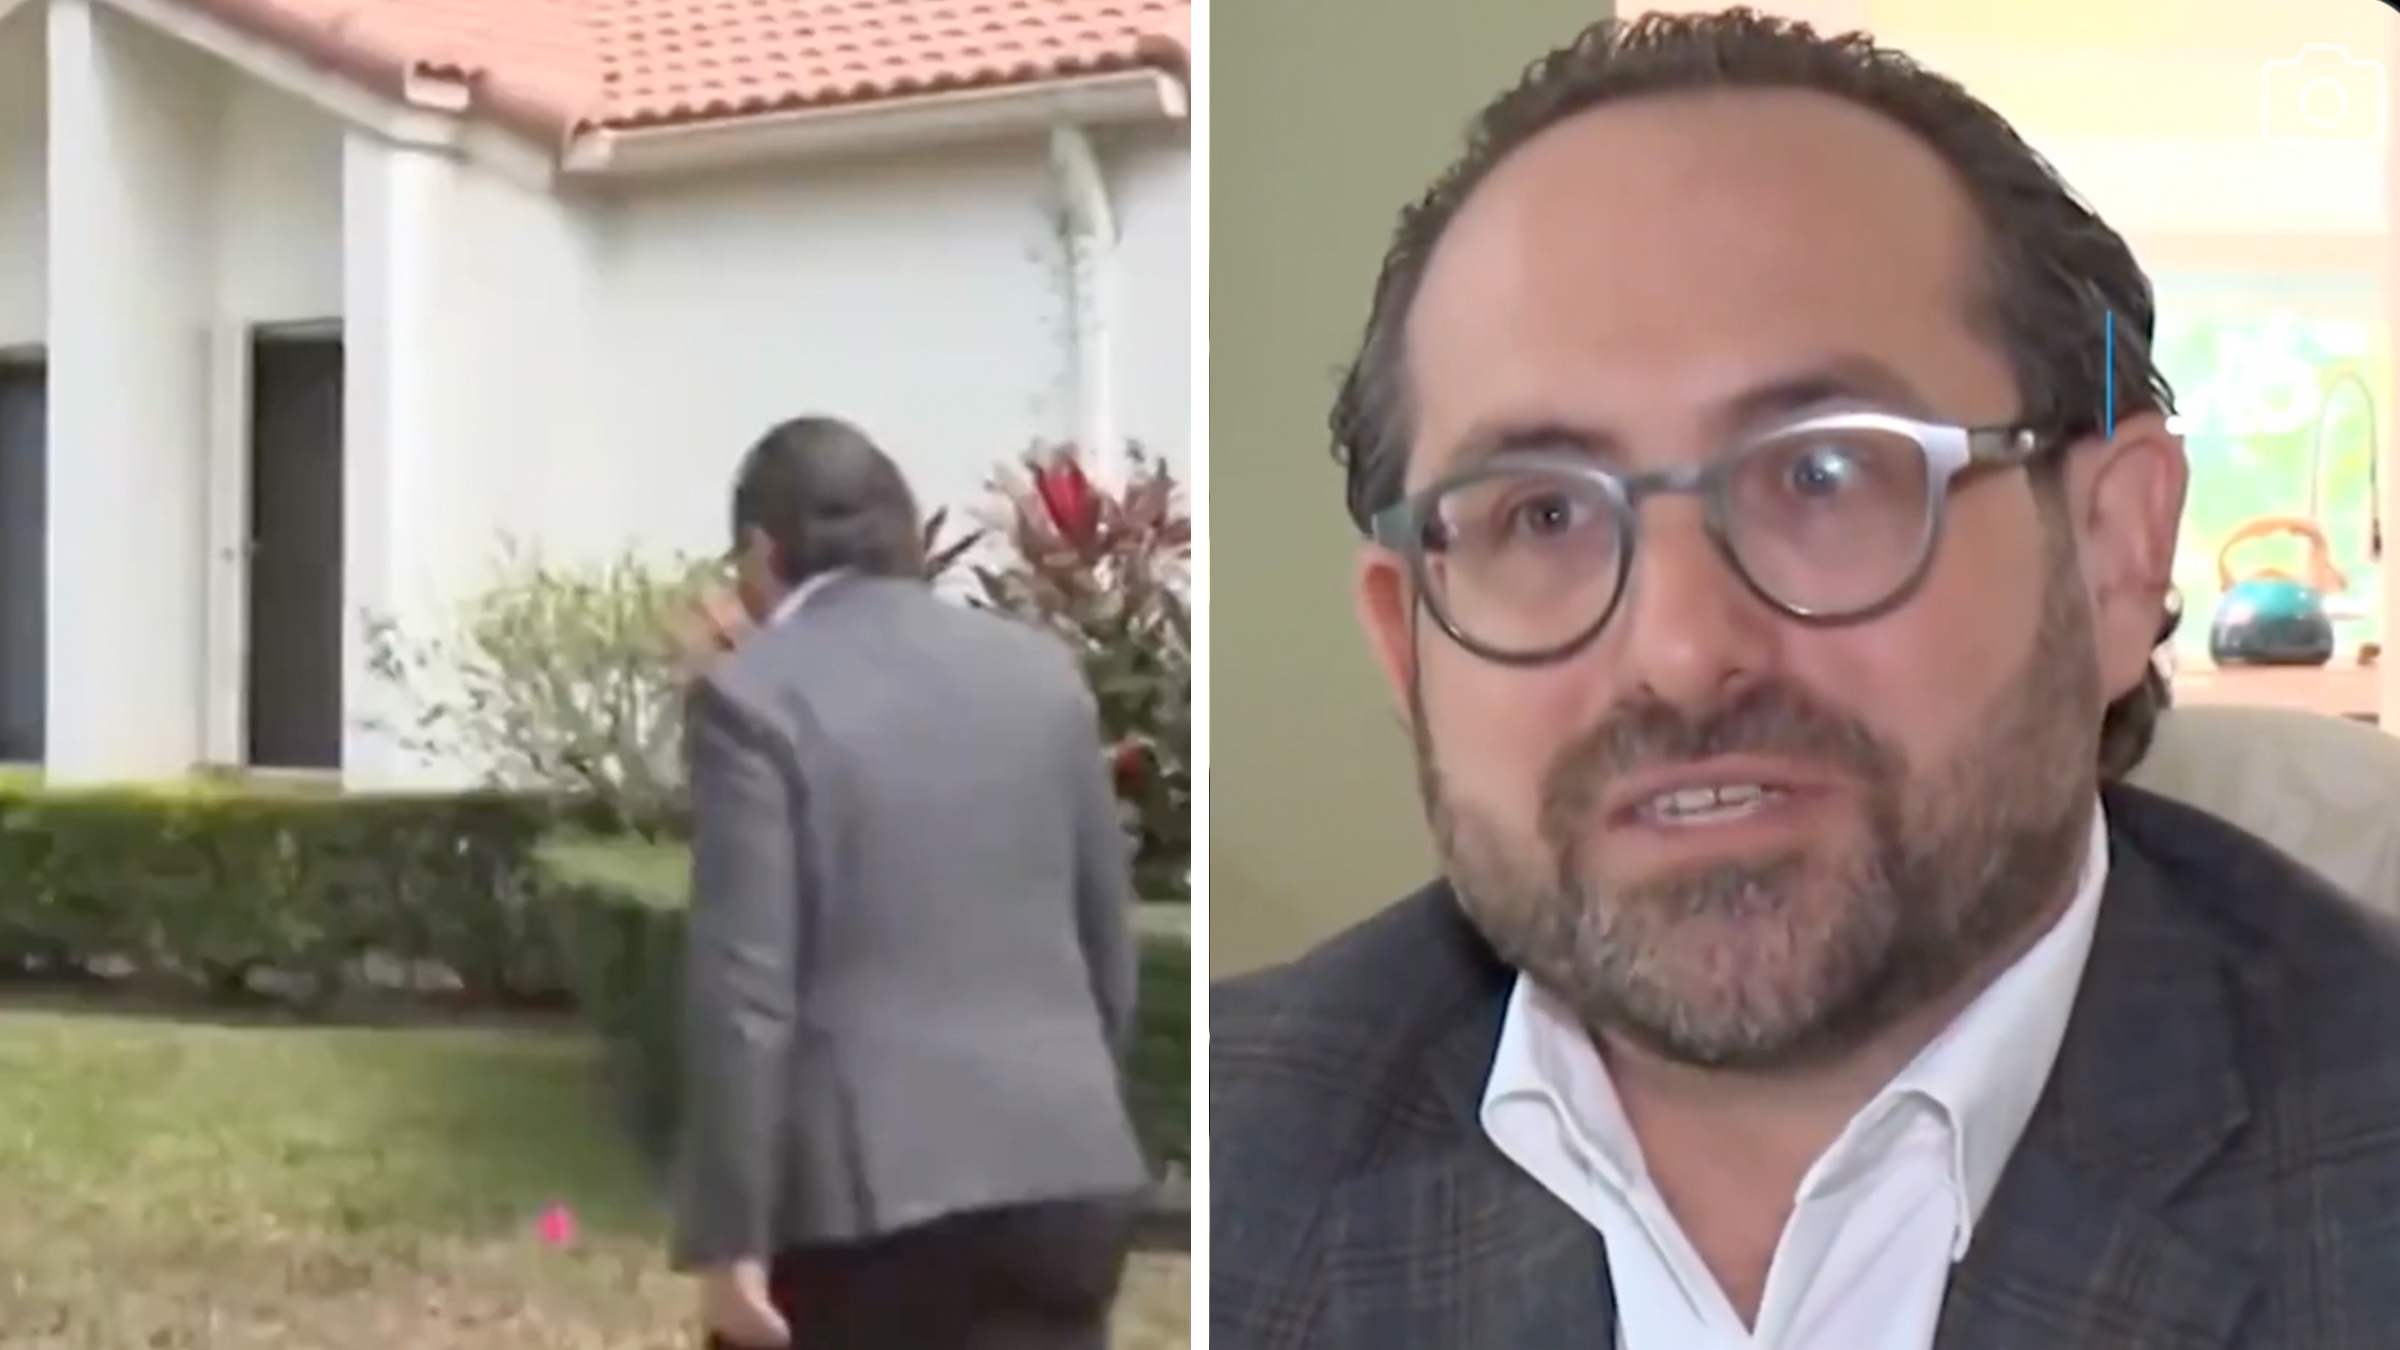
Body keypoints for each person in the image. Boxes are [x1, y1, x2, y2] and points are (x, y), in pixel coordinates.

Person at [1211, 11, 2400, 1348]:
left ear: (2115, 559)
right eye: (1541, 514)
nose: (1678, 649)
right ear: (1406, 644)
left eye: (1824, 474)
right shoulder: (1236, 1160)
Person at [673, 415, 1148, 1350]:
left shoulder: (752, 697)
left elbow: (747, 994)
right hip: (1066, 1176)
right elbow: (1107, 945)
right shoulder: (1042, 676)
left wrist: (732, 1240)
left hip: (866, 1210)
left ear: (762, 552)